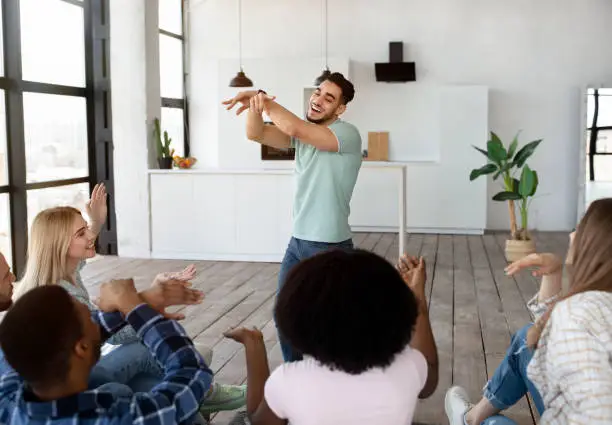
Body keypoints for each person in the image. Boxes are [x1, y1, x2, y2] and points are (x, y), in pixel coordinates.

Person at [10, 184, 246, 414]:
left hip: (71, 375)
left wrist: (96, 222)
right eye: (82, 233)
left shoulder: (66, 271)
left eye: (86, 229)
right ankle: (206, 393)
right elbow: (116, 335)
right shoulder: (63, 294)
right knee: (145, 354)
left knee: (146, 387)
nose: (90, 235)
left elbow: (102, 321)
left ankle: (199, 401)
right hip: (78, 376)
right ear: (59, 245)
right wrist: (147, 308)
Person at [223, 72, 363, 362]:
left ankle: (333, 387)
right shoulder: (302, 137)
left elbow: (297, 129)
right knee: (284, 314)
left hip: (328, 246)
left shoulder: (346, 134)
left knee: (327, 325)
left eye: (329, 98)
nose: (318, 100)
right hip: (298, 243)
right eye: (318, 93)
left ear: (340, 109)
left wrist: (260, 97)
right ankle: (294, 376)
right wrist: (255, 106)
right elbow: (256, 133)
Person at [223, 249, 439, 425]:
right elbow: (429, 375)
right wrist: (417, 297)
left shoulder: (290, 380)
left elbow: (258, 421)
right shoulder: (410, 366)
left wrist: (253, 345)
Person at [0, 278, 212, 424]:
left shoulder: (7, 401)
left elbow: (49, 340)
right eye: (89, 317)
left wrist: (135, 303)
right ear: (81, 347)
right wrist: (135, 308)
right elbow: (191, 373)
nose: (96, 321)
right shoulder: (115, 420)